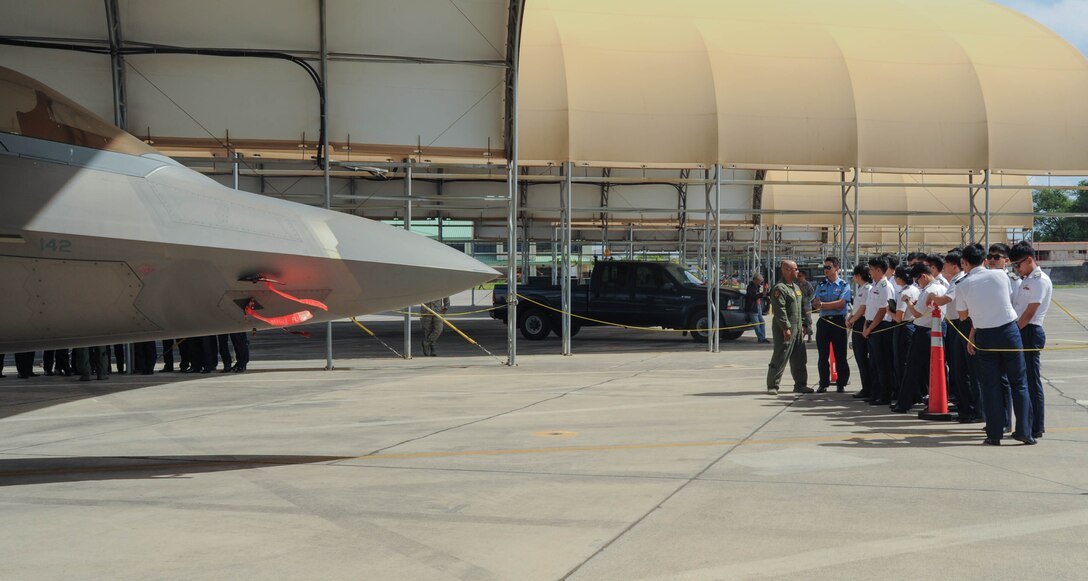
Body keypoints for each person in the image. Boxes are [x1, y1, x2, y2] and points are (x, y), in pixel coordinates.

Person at [957, 244, 1034, 445]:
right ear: (984, 260)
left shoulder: (962, 284)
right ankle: (1024, 431)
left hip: (984, 335)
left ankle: (994, 434)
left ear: (964, 263)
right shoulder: (1001, 275)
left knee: (991, 386)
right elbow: (1006, 299)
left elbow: (963, 316)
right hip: (1009, 331)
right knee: (1019, 383)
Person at [1009, 242, 1051, 439]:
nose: (1017, 269)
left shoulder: (1039, 280)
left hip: (1029, 330)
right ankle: (1028, 424)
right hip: (1022, 329)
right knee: (1023, 380)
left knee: (1031, 382)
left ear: (1029, 260)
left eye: (1018, 264)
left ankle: (1036, 426)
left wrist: (1014, 332)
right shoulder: (1026, 279)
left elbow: (1030, 312)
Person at [894, 263, 946, 412]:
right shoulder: (941, 287)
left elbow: (916, 313)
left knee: (912, 368)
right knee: (936, 369)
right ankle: (937, 399)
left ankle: (904, 403)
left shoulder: (929, 290)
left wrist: (908, 302)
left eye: (917, 280)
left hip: (924, 331)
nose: (917, 283)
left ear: (923, 276)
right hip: (937, 330)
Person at [766, 260, 811, 394]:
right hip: (785, 327)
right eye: (795, 269)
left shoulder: (796, 288)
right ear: (786, 270)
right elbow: (779, 310)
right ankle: (772, 385)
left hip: (797, 328)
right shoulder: (780, 288)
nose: (798, 271)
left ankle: (800, 384)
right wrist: (786, 327)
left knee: (800, 357)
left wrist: (803, 324)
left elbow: (802, 308)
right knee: (781, 355)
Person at [811, 256, 851, 393]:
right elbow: (816, 303)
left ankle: (841, 383)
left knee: (840, 354)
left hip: (838, 322)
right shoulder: (821, 285)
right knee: (823, 355)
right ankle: (823, 383)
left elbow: (841, 305)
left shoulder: (844, 285)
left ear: (836, 268)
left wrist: (823, 304)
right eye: (825, 267)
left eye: (829, 267)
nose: (826, 270)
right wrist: (823, 305)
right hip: (823, 323)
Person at [862, 257, 896, 406]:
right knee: (874, 363)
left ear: (878, 270)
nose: (869, 272)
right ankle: (875, 393)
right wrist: (866, 326)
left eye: (871, 269)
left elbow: (883, 311)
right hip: (871, 326)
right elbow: (870, 309)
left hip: (881, 327)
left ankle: (885, 395)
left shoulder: (885, 286)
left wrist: (869, 328)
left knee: (882, 363)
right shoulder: (874, 286)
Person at [846, 265, 874, 399]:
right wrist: (850, 318)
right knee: (859, 357)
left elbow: (863, 309)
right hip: (857, 321)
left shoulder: (868, 288)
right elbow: (856, 307)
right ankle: (866, 386)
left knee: (862, 357)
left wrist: (852, 320)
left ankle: (868, 387)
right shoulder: (861, 288)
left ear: (858, 276)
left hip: (862, 322)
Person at [892, 266, 919, 401]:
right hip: (913, 326)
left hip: (903, 327)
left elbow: (898, 317)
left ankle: (905, 395)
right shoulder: (916, 289)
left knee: (901, 362)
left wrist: (887, 310)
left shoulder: (904, 293)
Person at [745, 274, 770, 344]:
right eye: (759, 281)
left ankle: (762, 338)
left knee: (762, 322)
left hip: (758, 306)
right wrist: (762, 294)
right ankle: (761, 338)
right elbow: (753, 297)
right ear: (755, 280)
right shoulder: (750, 287)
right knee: (757, 324)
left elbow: (761, 295)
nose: (760, 282)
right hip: (752, 308)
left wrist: (766, 293)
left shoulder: (757, 287)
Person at [798, 271, 815, 342]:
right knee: (799, 321)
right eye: (798, 276)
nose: (799, 277)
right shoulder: (796, 284)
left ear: (804, 277)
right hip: (798, 306)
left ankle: (809, 336)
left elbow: (813, 294)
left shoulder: (808, 285)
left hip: (806, 306)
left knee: (808, 321)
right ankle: (800, 336)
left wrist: (807, 300)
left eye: (800, 276)